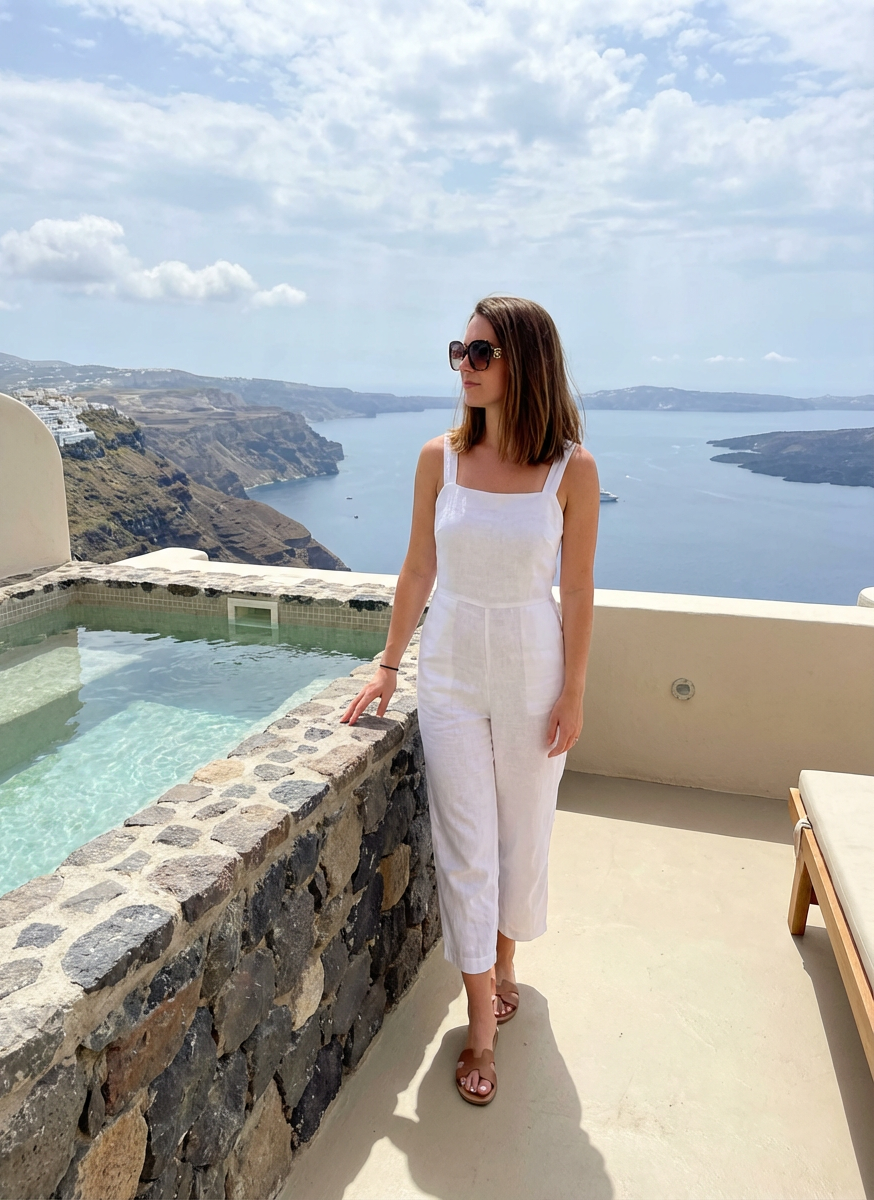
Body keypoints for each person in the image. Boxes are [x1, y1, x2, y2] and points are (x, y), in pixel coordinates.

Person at [342, 295, 599, 1106]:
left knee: (524, 838)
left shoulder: (571, 470)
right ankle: (481, 1022)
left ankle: (506, 960)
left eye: (482, 352)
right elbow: (419, 567)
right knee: (466, 844)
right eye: (460, 350)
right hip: (450, 669)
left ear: (527, 362)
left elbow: (578, 589)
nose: (466, 365)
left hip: (532, 670)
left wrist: (574, 690)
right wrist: (389, 664)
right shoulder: (439, 459)